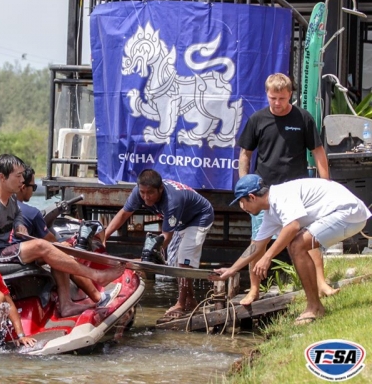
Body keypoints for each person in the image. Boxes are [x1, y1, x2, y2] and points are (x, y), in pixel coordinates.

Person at [0, 154, 125, 317]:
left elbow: (16, 214)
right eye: (18, 176)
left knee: (56, 250)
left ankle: (66, 305)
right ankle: (96, 275)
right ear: (2, 177)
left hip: (5, 249)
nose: (22, 180)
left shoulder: (10, 199)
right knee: (41, 245)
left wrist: (19, 225)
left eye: (22, 175)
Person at [211, 174, 371, 324]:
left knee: (296, 244)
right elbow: (256, 245)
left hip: (349, 213)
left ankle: (315, 308)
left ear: (252, 197)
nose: (242, 207)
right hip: (344, 215)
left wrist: (267, 257)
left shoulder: (280, 196)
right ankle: (315, 306)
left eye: (242, 201)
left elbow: (293, 227)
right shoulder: (271, 212)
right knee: (296, 244)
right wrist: (232, 269)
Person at [237, 72, 336, 305]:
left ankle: (321, 283)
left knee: (308, 239)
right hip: (264, 193)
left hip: (298, 192)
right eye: (273, 98)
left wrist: (326, 183)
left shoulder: (303, 118)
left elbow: (318, 152)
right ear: (267, 95)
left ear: (290, 95)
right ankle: (253, 289)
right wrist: (244, 187)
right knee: (258, 242)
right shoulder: (257, 120)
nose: (277, 103)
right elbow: (245, 154)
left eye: (282, 98)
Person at [103, 169, 214, 319]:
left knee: (184, 259)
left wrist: (151, 254)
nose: (146, 197)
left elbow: (166, 236)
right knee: (176, 262)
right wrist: (104, 237)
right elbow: (124, 214)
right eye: (142, 193)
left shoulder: (172, 201)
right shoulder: (138, 192)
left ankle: (181, 304)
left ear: (160, 189)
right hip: (181, 220)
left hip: (199, 217)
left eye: (150, 193)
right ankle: (191, 300)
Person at [15, 165, 121, 317]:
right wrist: (69, 244)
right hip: (23, 258)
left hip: (10, 255)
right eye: (33, 186)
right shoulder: (30, 213)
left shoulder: (3, 207)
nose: (33, 190)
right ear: (22, 187)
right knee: (61, 255)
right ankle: (98, 296)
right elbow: (53, 243)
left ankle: (69, 303)